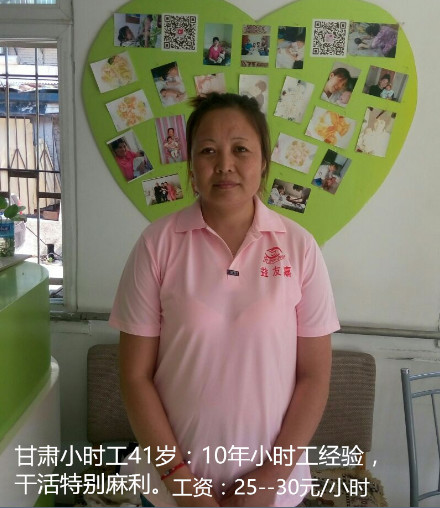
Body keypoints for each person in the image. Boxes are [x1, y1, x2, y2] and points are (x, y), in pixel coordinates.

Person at [109, 93, 340, 507]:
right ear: (191, 165)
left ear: (264, 161)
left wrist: (269, 479)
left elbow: (314, 377)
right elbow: (135, 377)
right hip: (170, 491)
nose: (224, 165)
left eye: (241, 150)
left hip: (270, 492)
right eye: (208, 151)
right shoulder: (157, 245)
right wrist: (182, 485)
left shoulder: (300, 248)